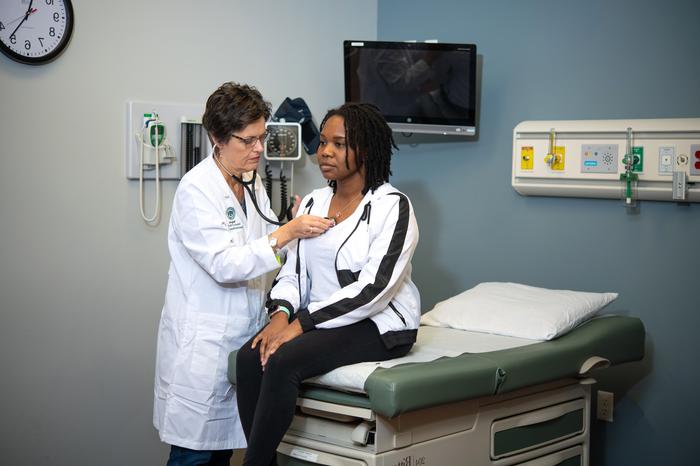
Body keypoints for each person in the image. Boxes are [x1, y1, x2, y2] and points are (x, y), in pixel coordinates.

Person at [153, 82, 334, 466]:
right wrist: (286, 232)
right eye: (248, 140)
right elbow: (224, 264)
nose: (258, 149)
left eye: (262, 137)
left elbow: (261, 250)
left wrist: (288, 228)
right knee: (195, 456)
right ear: (217, 138)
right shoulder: (195, 190)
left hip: (242, 339)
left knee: (224, 455)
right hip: (203, 346)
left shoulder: (249, 181)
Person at [236, 102, 421, 466]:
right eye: (322, 142)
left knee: (283, 359)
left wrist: (300, 325)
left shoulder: (392, 206)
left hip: (380, 323)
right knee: (249, 357)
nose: (325, 152)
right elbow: (292, 271)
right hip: (318, 319)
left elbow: (373, 290)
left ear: (365, 150)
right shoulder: (316, 202)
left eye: (338, 144)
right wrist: (279, 317)